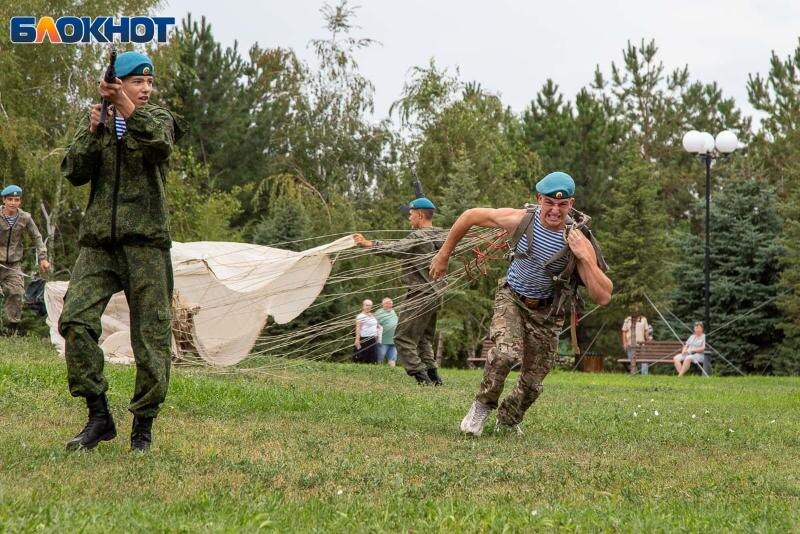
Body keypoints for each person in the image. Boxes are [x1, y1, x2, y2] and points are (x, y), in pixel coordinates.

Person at [59, 51, 184, 452]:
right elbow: (74, 172)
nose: (146, 89)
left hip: (145, 244)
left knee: (151, 338)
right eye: (137, 82)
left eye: (150, 82)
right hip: (99, 244)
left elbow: (160, 145)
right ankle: (99, 416)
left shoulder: (158, 119)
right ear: (118, 83)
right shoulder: (98, 119)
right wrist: (92, 131)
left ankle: (142, 429)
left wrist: (124, 105)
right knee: (75, 322)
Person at [430, 172, 612, 435]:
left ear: (571, 204)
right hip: (512, 298)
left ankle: (508, 420)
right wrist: (444, 254)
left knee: (533, 383)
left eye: (562, 205)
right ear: (539, 199)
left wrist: (585, 259)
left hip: (548, 313)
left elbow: (604, 296)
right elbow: (470, 215)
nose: (554, 210)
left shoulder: (578, 240)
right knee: (504, 354)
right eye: (549, 202)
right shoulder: (520, 220)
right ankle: (482, 406)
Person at [353, 197, 446, 385]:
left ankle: (422, 378)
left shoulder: (418, 237)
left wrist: (368, 244)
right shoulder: (441, 235)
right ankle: (435, 378)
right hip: (436, 295)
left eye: (411, 215)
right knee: (423, 339)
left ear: (420, 215)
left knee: (402, 337)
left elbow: (396, 248)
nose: (409, 219)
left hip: (420, 294)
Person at [0, 185, 50, 335]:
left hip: (13, 264)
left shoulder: (25, 217)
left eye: (16, 200)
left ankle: (11, 330)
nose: (13, 203)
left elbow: (37, 236)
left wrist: (43, 258)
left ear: (20, 201)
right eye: (10, 199)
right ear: (4, 200)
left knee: (16, 293)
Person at [354, 299, 381, 364]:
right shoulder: (360, 316)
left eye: (370, 305)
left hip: (373, 339)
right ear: (363, 306)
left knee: (373, 358)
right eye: (367, 305)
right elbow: (358, 328)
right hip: (364, 339)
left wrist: (378, 333)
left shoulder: (372, 315)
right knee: (363, 358)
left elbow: (376, 325)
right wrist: (357, 340)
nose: (368, 307)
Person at [374, 297, 398, 366]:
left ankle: (392, 374)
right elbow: (374, 324)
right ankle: (377, 372)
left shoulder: (393, 311)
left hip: (393, 340)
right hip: (383, 341)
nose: (389, 305)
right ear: (383, 304)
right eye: (387, 303)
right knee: (379, 358)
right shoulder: (379, 312)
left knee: (393, 358)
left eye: (390, 303)